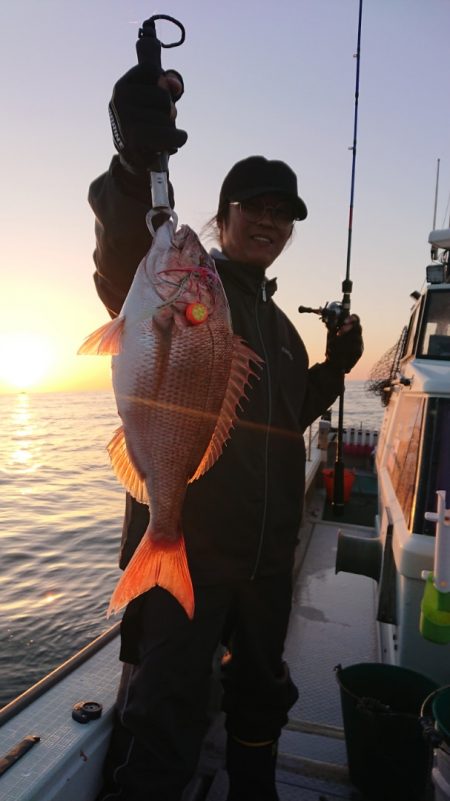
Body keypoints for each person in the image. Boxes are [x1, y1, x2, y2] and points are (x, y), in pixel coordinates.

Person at [89, 63, 363, 801]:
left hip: (267, 561)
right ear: (223, 214)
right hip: (195, 559)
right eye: (255, 206)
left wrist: (334, 369)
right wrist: (134, 164)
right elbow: (122, 254)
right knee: (167, 712)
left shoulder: (278, 329)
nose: (270, 222)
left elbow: (279, 425)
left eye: (285, 213)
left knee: (260, 697)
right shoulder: (185, 286)